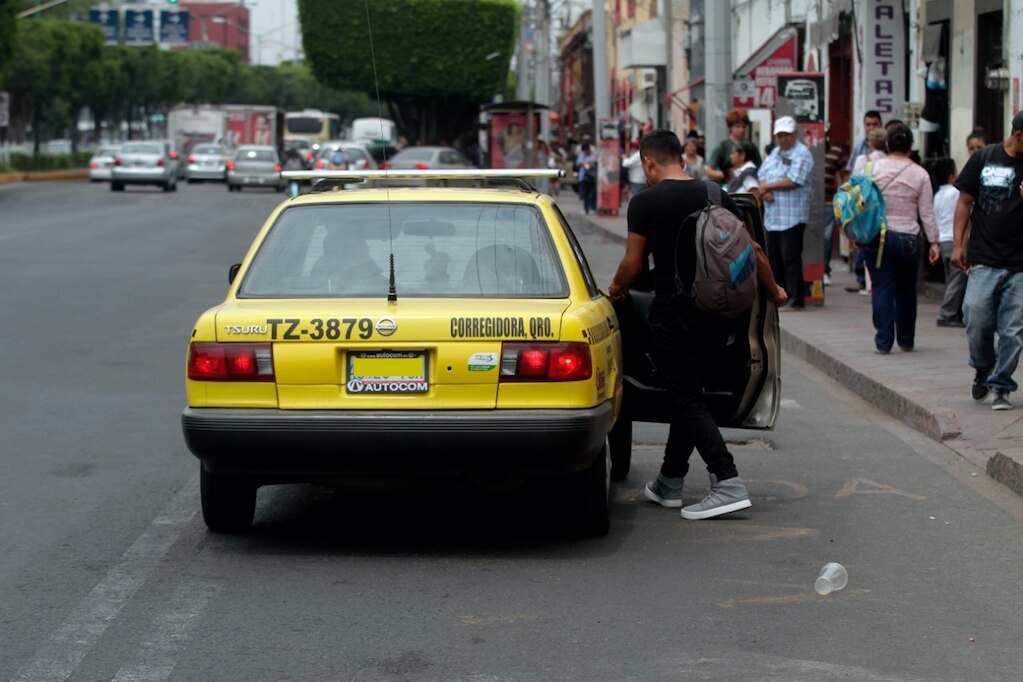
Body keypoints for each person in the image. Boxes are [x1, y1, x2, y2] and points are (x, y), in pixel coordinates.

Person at [607, 129, 786, 520]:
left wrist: (617, 287)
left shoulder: (644, 202)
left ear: (648, 162)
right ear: (681, 158)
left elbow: (634, 264)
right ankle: (669, 481)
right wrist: (774, 291)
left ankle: (727, 480)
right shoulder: (715, 194)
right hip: (718, 313)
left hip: (674, 314)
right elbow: (753, 250)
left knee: (686, 398)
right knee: (688, 395)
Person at [952, 111, 1023, 411]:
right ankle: (983, 365)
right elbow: (964, 202)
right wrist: (957, 245)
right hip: (983, 258)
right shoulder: (984, 158)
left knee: (1012, 329)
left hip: (1020, 263)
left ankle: (1002, 385)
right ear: (1018, 135)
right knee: (975, 317)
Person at [864, 124, 940, 354]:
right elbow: (926, 211)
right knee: (907, 290)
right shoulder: (920, 174)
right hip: (909, 239)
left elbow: (863, 203)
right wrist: (934, 242)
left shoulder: (872, 169)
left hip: (878, 237)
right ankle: (906, 340)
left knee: (882, 288)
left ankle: (884, 342)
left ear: (887, 144)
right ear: (911, 147)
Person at [758, 116, 814, 309]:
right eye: (779, 135)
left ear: (795, 135)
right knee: (774, 258)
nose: (783, 139)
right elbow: (762, 175)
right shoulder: (774, 153)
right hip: (773, 215)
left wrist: (767, 187)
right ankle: (779, 296)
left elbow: (794, 180)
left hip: (793, 215)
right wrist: (765, 191)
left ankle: (795, 298)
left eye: (786, 135)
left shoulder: (802, 153)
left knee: (791, 257)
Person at [932, 158, 965, 328]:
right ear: (952, 176)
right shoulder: (956, 192)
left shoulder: (938, 195)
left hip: (943, 239)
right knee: (957, 278)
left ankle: (953, 311)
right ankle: (947, 313)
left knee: (950, 278)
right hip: (954, 239)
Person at [706, 109, 762, 184]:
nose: (741, 130)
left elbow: (761, 169)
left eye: (743, 127)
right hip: (727, 188)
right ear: (730, 128)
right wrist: (727, 175)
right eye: (737, 127)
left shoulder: (751, 147)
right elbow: (709, 171)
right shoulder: (722, 147)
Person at [822, 138, 848, 285]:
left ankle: (825, 270)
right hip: (810, 204)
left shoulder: (836, 152)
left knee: (826, 238)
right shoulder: (806, 148)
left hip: (828, 201)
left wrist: (843, 196)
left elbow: (844, 174)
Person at [846, 110, 884, 181]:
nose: (871, 128)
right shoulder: (859, 146)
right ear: (864, 126)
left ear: (881, 125)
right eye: (868, 125)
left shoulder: (887, 144)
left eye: (875, 124)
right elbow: (850, 170)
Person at [575, 141, 598, 214]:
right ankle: (586, 209)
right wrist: (583, 164)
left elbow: (596, 162)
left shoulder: (595, 154)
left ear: (589, 149)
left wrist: (591, 164)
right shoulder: (582, 155)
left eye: (586, 150)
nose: (585, 152)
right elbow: (578, 163)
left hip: (592, 177)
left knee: (593, 193)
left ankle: (593, 208)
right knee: (585, 194)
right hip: (583, 177)